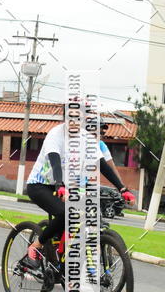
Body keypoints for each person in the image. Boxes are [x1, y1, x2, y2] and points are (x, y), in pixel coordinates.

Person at [21, 115, 135, 275]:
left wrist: (122, 189)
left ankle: (63, 261)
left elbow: (102, 165)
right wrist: (59, 185)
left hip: (68, 187)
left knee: (82, 217)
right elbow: (54, 162)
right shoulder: (55, 134)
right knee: (65, 213)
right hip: (41, 184)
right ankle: (36, 245)